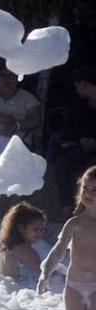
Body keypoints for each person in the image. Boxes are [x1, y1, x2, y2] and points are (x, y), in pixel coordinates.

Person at [39, 166, 96, 310]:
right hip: (74, 286)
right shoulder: (75, 223)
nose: (88, 193)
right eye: (85, 188)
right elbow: (58, 250)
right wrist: (45, 273)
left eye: (95, 190)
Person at [54, 68, 96, 211]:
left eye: (78, 86)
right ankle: (67, 206)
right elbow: (69, 130)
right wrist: (80, 141)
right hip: (79, 148)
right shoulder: (78, 106)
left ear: (84, 84)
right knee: (63, 162)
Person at [0, 202, 48, 289]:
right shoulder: (23, 249)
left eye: (42, 230)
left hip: (11, 290)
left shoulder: (7, 247)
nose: (40, 233)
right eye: (35, 229)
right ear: (20, 228)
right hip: (23, 290)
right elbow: (44, 272)